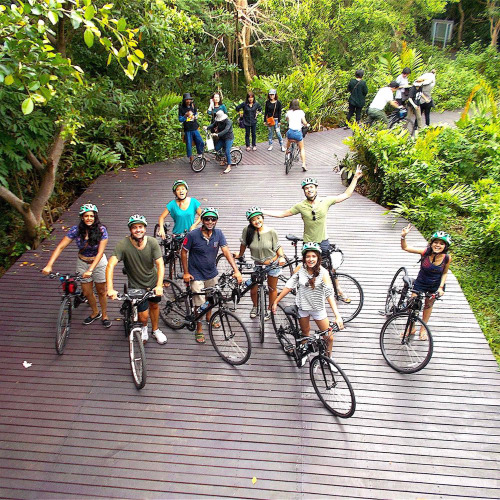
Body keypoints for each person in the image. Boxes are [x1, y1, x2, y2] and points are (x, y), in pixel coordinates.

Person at [272, 242, 344, 362]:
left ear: (318, 258)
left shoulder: (323, 273)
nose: (311, 259)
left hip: (318, 308)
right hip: (303, 307)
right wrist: (276, 301)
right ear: (304, 258)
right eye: (308, 256)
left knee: (329, 338)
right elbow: (289, 285)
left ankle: (329, 358)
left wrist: (337, 315)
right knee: (305, 332)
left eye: (314, 256)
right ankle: (305, 353)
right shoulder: (300, 269)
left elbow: (329, 294)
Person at [263, 170, 363, 256]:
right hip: (308, 243)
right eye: (306, 188)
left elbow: (346, 194)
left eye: (311, 187)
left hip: (323, 241)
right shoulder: (300, 206)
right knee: (308, 270)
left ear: (316, 188)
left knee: (330, 269)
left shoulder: (326, 201)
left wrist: (355, 178)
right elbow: (283, 214)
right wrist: (264, 212)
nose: (309, 190)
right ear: (304, 191)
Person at [42, 203, 111, 328]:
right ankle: (95, 312)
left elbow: (100, 252)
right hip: (82, 261)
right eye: (86, 216)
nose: (89, 218)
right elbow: (61, 246)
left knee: (101, 290)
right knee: (87, 291)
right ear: (82, 217)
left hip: (98, 263)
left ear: (95, 217)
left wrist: (91, 269)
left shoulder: (101, 230)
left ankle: (105, 314)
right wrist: (49, 265)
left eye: (91, 216)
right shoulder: (76, 230)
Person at [181, 207, 242, 343]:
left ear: (216, 221)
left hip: (211, 272)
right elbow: (184, 252)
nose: (210, 221)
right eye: (207, 219)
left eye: (213, 219)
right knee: (199, 303)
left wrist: (236, 270)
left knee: (211, 298)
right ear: (202, 220)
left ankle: (209, 318)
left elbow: (226, 252)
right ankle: (199, 329)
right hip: (196, 274)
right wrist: (186, 272)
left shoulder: (218, 234)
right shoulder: (192, 235)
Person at [106, 215, 167, 344]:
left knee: (154, 306)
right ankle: (144, 328)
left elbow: (160, 264)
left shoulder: (152, 242)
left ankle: (155, 330)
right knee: (143, 316)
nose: (138, 230)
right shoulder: (123, 244)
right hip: (136, 285)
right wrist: (110, 288)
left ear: (145, 229)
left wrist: (159, 285)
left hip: (152, 282)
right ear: (130, 230)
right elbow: (110, 265)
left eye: (140, 227)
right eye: (134, 227)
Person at [400, 225, 452, 340]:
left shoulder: (447, 258)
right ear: (431, 243)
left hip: (435, 284)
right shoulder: (425, 252)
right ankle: (411, 327)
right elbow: (406, 248)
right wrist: (403, 237)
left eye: (441, 244)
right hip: (421, 282)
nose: (438, 245)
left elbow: (444, 273)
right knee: (413, 304)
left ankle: (423, 328)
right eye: (436, 242)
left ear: (445, 246)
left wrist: (441, 287)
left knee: (428, 305)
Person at [234, 207, 286, 320]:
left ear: (263, 218)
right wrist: (240, 254)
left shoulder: (271, 231)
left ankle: (269, 309)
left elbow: (278, 246)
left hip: (272, 263)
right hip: (257, 264)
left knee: (272, 288)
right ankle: (255, 306)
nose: (257, 221)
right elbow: (243, 244)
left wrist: (281, 257)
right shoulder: (247, 231)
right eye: (253, 220)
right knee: (253, 289)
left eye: (259, 218)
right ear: (250, 222)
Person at [205, 110, 235, 174]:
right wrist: (207, 127)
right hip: (222, 138)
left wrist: (218, 134)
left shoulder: (228, 122)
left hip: (228, 138)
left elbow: (226, 130)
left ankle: (229, 166)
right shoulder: (218, 122)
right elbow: (213, 125)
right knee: (216, 148)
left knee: (227, 151)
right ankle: (223, 158)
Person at [285, 99, 310, 171]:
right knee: (302, 148)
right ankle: (304, 164)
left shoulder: (288, 112)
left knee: (289, 140)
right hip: (297, 133)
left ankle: (287, 151)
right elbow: (304, 122)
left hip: (290, 132)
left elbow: (287, 119)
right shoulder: (301, 112)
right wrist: (306, 124)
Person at [178, 92, 204, 163]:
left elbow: (196, 114)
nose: (188, 101)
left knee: (200, 141)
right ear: (184, 100)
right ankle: (191, 159)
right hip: (187, 129)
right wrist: (185, 116)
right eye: (187, 100)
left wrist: (194, 116)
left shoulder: (193, 105)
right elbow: (180, 119)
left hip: (195, 127)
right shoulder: (181, 108)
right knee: (189, 144)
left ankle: (200, 155)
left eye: (189, 99)